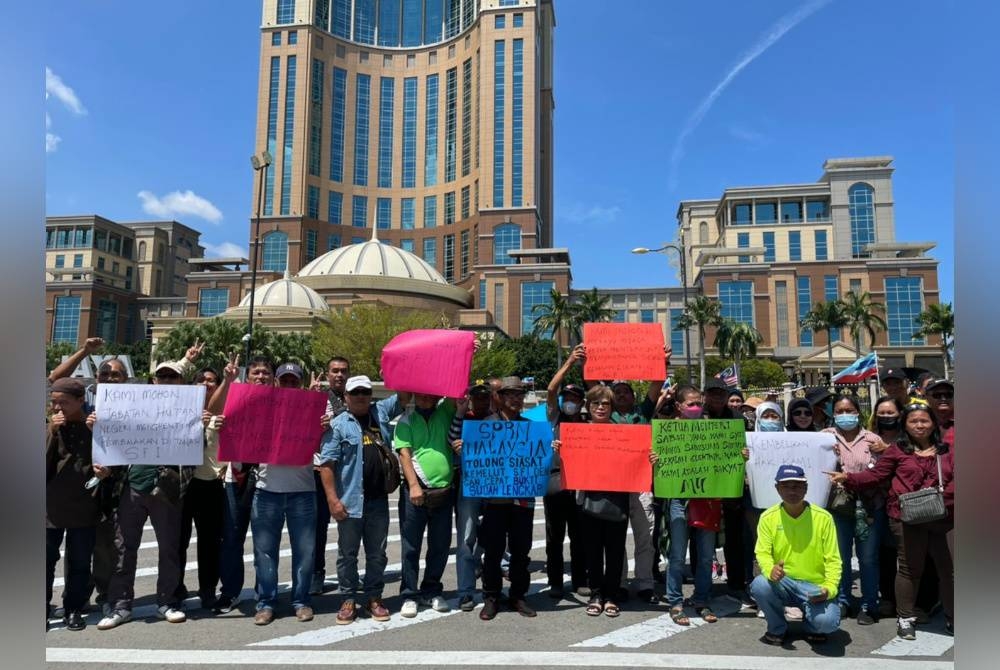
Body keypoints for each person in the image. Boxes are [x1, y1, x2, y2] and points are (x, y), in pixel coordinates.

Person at [98, 342, 205, 630]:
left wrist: (203, 425)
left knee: (169, 547)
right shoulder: (132, 403)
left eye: (173, 377)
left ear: (181, 382)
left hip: (167, 487)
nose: (168, 381)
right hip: (132, 484)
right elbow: (112, 438)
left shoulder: (189, 410)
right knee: (124, 547)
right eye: (163, 377)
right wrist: (97, 425)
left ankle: (167, 601)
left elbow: (200, 445)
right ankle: (121, 605)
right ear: (153, 381)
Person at [827, 403, 954, 640]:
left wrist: (945, 499)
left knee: (949, 570)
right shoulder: (897, 450)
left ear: (933, 424)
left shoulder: (947, 451)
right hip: (906, 517)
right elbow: (875, 475)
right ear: (905, 425)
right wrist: (849, 477)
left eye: (924, 420)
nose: (919, 425)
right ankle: (905, 618)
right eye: (913, 421)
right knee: (909, 569)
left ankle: (954, 617)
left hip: (944, 517)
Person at [318, 375, 403, 625]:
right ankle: (347, 599)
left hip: (378, 501)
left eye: (365, 392)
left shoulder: (381, 412)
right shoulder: (338, 424)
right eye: (355, 393)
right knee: (348, 554)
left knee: (377, 554)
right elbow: (326, 465)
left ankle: (373, 597)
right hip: (350, 502)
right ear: (346, 397)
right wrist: (333, 500)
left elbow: (405, 393)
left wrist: (394, 371)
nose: (361, 397)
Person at [249, 361, 324, 625]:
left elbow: (326, 446)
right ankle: (266, 602)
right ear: (277, 382)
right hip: (267, 490)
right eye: (285, 380)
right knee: (264, 552)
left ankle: (301, 600)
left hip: (302, 491)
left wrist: (323, 423)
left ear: (300, 384)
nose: (289, 384)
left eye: (294, 380)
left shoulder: (314, 409)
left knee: (304, 551)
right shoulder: (262, 408)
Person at [558, 384, 629, 618]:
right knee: (593, 551)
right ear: (589, 406)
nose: (601, 407)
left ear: (612, 407)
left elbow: (632, 463)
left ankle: (611, 595)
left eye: (605, 404)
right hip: (587, 501)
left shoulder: (624, 432)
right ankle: (597, 594)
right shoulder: (578, 431)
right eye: (596, 403)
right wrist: (559, 449)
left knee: (616, 550)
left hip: (616, 499)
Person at [751, 464, 842, 646]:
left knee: (827, 623)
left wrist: (829, 589)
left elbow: (833, 559)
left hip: (814, 586)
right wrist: (771, 570)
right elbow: (762, 552)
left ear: (806, 488)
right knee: (760, 585)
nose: (792, 491)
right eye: (786, 486)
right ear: (777, 488)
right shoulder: (768, 517)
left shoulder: (823, 518)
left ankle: (811, 625)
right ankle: (777, 627)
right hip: (784, 582)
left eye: (797, 486)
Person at [476, 376, 538, 620]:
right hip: (494, 501)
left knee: (521, 550)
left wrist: (548, 448)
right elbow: (476, 459)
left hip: (523, 498)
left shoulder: (529, 426)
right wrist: (463, 447)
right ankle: (491, 596)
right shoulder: (485, 426)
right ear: (499, 398)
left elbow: (537, 459)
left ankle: (518, 595)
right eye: (510, 394)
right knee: (493, 550)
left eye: (519, 394)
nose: (515, 398)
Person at [823, 394, 888, 623]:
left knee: (868, 558)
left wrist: (849, 477)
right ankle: (842, 600)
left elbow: (883, 471)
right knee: (839, 557)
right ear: (833, 413)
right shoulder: (824, 437)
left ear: (857, 412)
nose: (844, 415)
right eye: (839, 411)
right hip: (838, 508)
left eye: (849, 410)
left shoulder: (873, 439)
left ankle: (870, 604)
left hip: (869, 508)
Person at [660, 385, 720, 626]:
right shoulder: (668, 431)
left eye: (699, 403)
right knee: (677, 555)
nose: (696, 407)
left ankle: (701, 599)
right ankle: (675, 601)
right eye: (690, 404)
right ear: (679, 406)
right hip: (678, 497)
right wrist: (656, 458)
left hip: (706, 498)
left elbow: (724, 458)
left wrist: (740, 455)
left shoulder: (714, 430)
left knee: (706, 555)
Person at [46, 378, 104, 632]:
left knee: (80, 563)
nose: (58, 408)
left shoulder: (94, 425)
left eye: (64, 403)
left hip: (84, 506)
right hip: (49, 507)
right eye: (54, 403)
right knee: (44, 561)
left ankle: (73, 609)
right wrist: (51, 431)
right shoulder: (49, 426)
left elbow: (108, 460)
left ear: (81, 401)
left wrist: (103, 473)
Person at [394, 392, 458, 618]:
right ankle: (409, 594)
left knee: (440, 545)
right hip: (416, 491)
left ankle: (431, 590)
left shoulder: (445, 412)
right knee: (411, 546)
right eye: (420, 393)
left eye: (429, 393)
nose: (425, 397)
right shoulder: (406, 419)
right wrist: (413, 485)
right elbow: (404, 453)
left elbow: (457, 390)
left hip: (444, 490)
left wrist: (465, 358)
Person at [176, 367, 226, 610]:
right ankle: (176, 587)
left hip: (212, 483)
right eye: (201, 380)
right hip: (184, 484)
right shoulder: (178, 411)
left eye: (211, 380)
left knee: (209, 541)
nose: (206, 384)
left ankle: (207, 589)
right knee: (179, 541)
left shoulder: (225, 412)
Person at [543, 345, 588, 599]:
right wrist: (570, 361)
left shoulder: (586, 422)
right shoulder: (555, 417)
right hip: (555, 481)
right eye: (567, 398)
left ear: (581, 403)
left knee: (578, 535)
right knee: (554, 536)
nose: (570, 402)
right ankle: (556, 581)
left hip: (580, 484)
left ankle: (580, 580)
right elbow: (551, 389)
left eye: (575, 399)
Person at [703, 377, 752, 604]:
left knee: (736, 537)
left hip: (731, 487)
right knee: (702, 536)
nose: (716, 398)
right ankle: (702, 582)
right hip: (702, 487)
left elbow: (750, 446)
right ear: (705, 396)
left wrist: (745, 454)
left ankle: (736, 582)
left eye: (721, 394)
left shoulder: (738, 420)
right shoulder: (696, 417)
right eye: (712, 393)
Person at [447, 380, 494, 611]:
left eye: (486, 397)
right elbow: (450, 439)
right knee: (466, 537)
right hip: (469, 485)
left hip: (496, 487)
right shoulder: (464, 419)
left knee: (492, 537)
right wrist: (456, 446)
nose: (483, 401)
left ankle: (485, 578)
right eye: (478, 397)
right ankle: (466, 591)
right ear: (472, 399)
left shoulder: (500, 422)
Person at [311, 355, 352, 595]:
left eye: (343, 371)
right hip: (320, 470)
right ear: (327, 375)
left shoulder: (356, 398)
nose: (339, 374)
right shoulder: (317, 398)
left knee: (350, 526)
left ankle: (348, 574)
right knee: (318, 527)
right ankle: (317, 573)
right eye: (334, 371)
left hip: (348, 471)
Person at [869, 395, 906, 618]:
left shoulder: (907, 438)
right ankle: (888, 598)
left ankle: (915, 602)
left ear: (899, 415)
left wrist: (887, 450)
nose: (885, 417)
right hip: (876, 504)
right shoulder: (869, 438)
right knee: (883, 554)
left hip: (903, 505)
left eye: (890, 413)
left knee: (908, 556)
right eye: (881, 413)